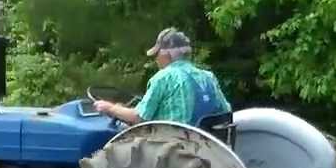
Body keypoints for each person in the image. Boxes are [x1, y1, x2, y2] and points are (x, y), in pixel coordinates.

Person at [93, 27, 232, 127]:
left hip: (173, 147)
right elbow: (226, 111)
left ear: (166, 54)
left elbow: (138, 117)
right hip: (206, 145)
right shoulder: (208, 77)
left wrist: (109, 108)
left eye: (157, 54)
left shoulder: (163, 78)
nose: (156, 59)